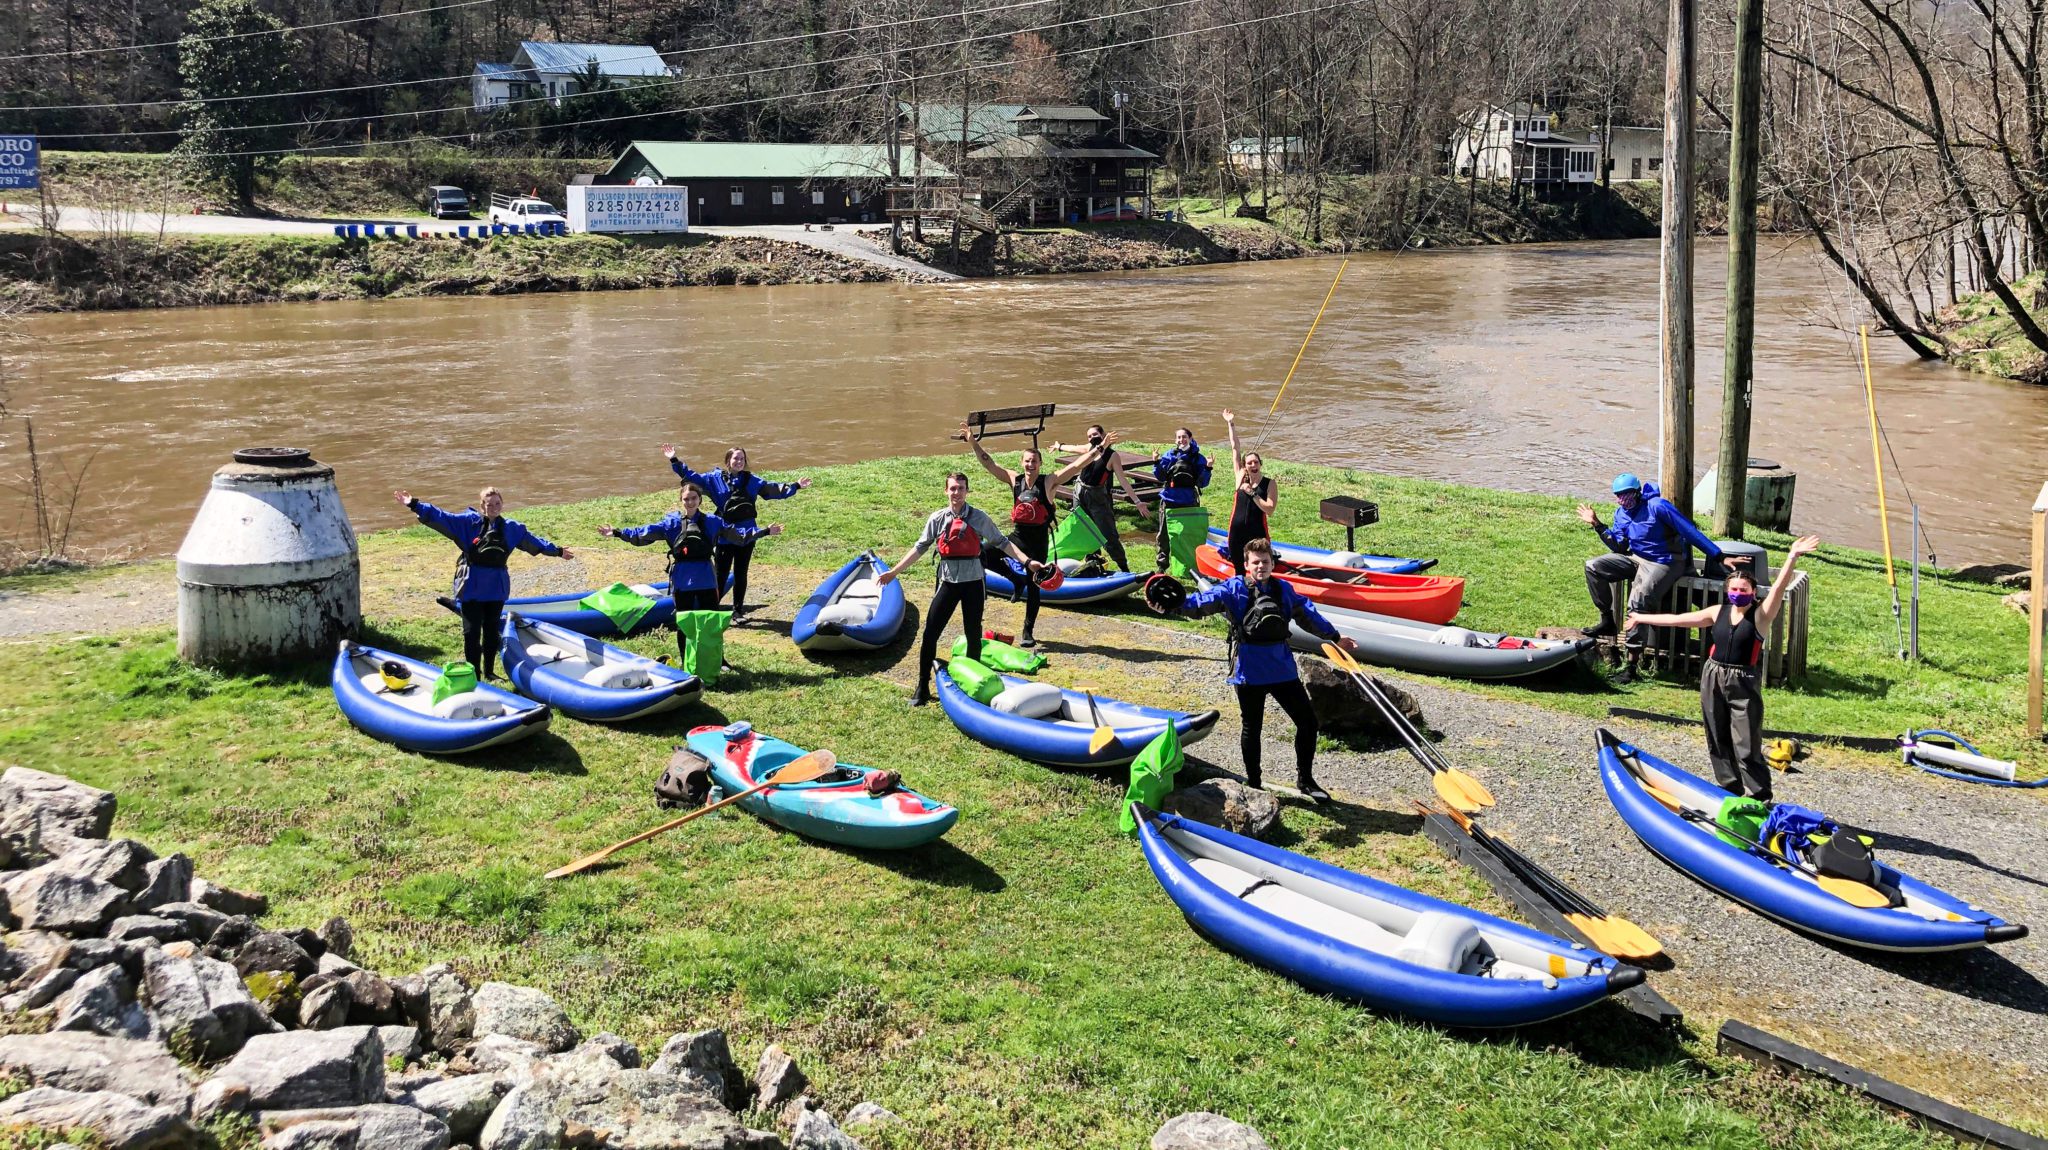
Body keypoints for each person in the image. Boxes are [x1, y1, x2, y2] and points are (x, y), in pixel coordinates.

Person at [1627, 536, 1820, 801]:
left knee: (1745, 741)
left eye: (1744, 590)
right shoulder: (1717, 611)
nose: (1738, 594)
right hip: (1713, 674)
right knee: (1717, 735)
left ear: (1753, 592)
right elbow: (1677, 620)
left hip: (1743, 680)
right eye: (1734, 589)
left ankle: (1758, 796)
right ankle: (1729, 787)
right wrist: (1640, 617)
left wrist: (1792, 557)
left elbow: (1778, 589)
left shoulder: (1761, 617)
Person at [1177, 538, 1356, 801]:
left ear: (1273, 564)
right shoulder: (1234, 588)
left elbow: (1308, 615)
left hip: (1281, 668)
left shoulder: (1284, 589)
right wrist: (1174, 603)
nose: (1261, 566)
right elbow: (1202, 602)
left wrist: (1334, 637)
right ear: (1247, 565)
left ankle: (1305, 781)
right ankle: (1255, 783)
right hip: (1249, 672)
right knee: (1252, 727)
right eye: (1256, 562)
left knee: (1307, 723)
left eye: (1266, 562)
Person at [876, 471, 1046, 706]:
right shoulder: (937, 518)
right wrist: (894, 572)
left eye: (961, 488)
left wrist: (1028, 562)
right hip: (948, 582)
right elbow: (919, 547)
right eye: (953, 488)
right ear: (946, 491)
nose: (956, 493)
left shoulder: (979, 517)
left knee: (973, 634)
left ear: (967, 491)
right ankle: (922, 686)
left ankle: (974, 686)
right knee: (930, 634)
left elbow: (1002, 542)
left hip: (974, 583)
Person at [393, 486, 574, 681]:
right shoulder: (467, 523)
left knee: (491, 631)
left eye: (497, 503)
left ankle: (489, 672)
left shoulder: (512, 528)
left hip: (496, 588)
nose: (494, 507)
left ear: (502, 504)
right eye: (489, 504)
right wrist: (414, 504)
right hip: (471, 586)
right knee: (471, 633)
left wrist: (557, 551)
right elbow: (440, 516)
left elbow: (535, 542)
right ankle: (474, 675)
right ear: (482, 506)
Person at [599, 484, 783, 669]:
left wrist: (764, 531)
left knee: (711, 622)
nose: (690, 502)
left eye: (694, 498)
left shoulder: (712, 521)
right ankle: (686, 660)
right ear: (681, 500)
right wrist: (617, 533)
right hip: (682, 580)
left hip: (706, 578)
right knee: (684, 624)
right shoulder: (671, 523)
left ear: (700, 500)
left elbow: (738, 535)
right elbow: (644, 533)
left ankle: (719, 660)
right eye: (686, 499)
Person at [962, 422, 1113, 647]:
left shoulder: (1048, 482)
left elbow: (1076, 466)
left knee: (1035, 586)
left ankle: (1027, 630)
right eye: (1027, 461)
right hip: (1017, 538)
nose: (1030, 464)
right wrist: (973, 442)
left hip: (1038, 542)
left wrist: (1099, 449)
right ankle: (1015, 579)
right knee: (982, 552)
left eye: (1034, 461)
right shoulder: (1015, 480)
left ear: (1040, 463)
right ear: (1022, 463)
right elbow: (989, 463)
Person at [1578, 473, 1728, 683]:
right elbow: (1619, 547)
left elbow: (1689, 531)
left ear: (1637, 493)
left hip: (1665, 561)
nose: (1623, 499)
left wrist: (1718, 555)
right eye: (1618, 496)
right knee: (1593, 566)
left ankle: (1631, 666)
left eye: (1627, 494)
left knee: (1638, 602)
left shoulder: (1657, 506)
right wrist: (1597, 525)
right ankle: (1607, 620)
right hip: (1637, 558)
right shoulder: (1621, 513)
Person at [664, 444, 810, 623]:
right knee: (720, 573)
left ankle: (737, 611)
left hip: (747, 534)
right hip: (725, 534)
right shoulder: (714, 479)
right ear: (728, 461)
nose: (739, 462)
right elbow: (691, 477)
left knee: (741, 573)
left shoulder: (752, 481)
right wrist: (674, 459)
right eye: (735, 458)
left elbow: (772, 490)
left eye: (742, 459)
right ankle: (712, 609)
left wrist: (795, 486)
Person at [1048, 424, 1152, 574]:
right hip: (1079, 491)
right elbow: (1073, 448)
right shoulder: (1089, 449)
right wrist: (1059, 446)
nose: (1092, 438)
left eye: (1095, 434)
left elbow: (1122, 480)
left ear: (1104, 435)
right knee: (1082, 526)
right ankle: (1093, 561)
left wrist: (1137, 502)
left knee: (1108, 534)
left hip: (1097, 496)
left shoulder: (1112, 456)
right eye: (1089, 436)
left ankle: (1124, 569)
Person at [1221, 409, 1278, 571]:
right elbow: (1235, 448)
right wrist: (1230, 423)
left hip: (1257, 532)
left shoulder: (1269, 483)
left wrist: (1252, 494)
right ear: (1245, 466)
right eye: (1249, 463)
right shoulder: (1240, 476)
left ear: (1260, 464)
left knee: (1259, 567)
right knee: (1239, 569)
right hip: (1236, 531)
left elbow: (1270, 509)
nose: (1253, 465)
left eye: (1256, 462)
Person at [1151, 426, 1213, 573]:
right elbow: (1160, 477)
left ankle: (1190, 566)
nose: (1181, 440)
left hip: (1188, 501)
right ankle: (1162, 566)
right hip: (1168, 500)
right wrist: (1156, 462)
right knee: (1163, 534)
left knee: (1188, 534)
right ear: (1175, 440)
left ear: (1190, 439)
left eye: (1184, 437)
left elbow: (1202, 483)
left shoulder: (1198, 458)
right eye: (1178, 437)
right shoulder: (1169, 455)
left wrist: (1208, 468)